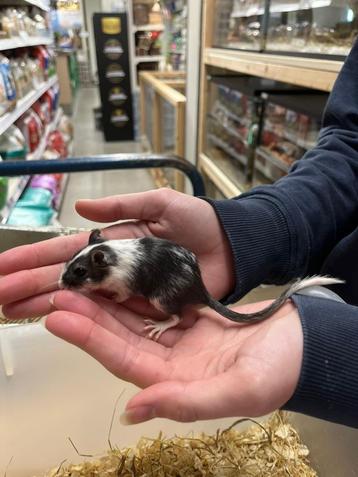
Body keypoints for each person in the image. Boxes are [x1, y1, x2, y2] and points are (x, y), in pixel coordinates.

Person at [0, 41, 358, 429]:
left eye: (79, 276)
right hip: (326, 301)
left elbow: (124, 287)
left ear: (100, 261)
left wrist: (332, 346)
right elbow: (348, 146)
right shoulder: (107, 254)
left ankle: (171, 319)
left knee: (158, 295)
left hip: (208, 301)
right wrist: (248, 229)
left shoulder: (114, 267)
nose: (74, 283)